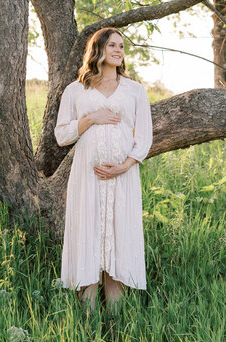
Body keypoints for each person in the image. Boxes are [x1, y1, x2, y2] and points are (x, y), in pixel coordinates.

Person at [54, 27, 153, 314]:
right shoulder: (76, 91)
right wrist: (90, 118)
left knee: (118, 245)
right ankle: (87, 328)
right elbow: (62, 135)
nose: (119, 51)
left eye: (122, 46)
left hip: (123, 179)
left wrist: (124, 166)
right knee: (88, 240)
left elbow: (144, 137)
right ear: (97, 49)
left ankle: (119, 329)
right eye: (112, 45)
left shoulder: (134, 90)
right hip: (87, 179)